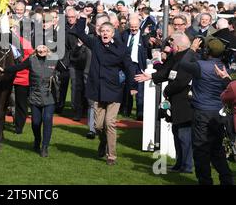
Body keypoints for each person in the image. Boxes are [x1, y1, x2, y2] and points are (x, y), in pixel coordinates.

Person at [71, 22, 137, 165]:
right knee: (99, 126)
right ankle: (103, 141)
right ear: (99, 33)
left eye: (108, 31)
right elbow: (79, 32)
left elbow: (129, 67)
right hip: (97, 89)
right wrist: (83, 16)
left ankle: (111, 156)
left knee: (110, 123)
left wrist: (133, 85)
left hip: (114, 89)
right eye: (103, 31)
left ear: (113, 33)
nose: (105, 33)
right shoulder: (95, 44)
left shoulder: (121, 48)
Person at [135, 32, 194, 173]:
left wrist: (167, 90)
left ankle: (187, 166)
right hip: (176, 102)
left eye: (172, 44)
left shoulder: (189, 58)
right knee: (177, 133)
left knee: (184, 136)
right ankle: (180, 164)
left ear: (178, 46)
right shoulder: (178, 56)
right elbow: (167, 72)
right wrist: (151, 76)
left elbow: (180, 81)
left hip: (185, 104)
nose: (170, 46)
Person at [180, 37, 234, 185]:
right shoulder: (224, 67)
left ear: (206, 51)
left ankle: (205, 181)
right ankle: (226, 178)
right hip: (218, 113)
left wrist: (192, 49)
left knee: (200, 149)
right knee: (217, 149)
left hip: (202, 113)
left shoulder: (200, 66)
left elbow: (183, 63)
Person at [0, 45, 61, 157]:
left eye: (44, 48)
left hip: (49, 97)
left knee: (47, 119)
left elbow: (66, 69)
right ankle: (37, 140)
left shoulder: (54, 60)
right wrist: (4, 70)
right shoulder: (31, 60)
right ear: (36, 50)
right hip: (35, 97)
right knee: (36, 123)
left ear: (47, 50)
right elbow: (18, 67)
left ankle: (44, 147)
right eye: (39, 48)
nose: (41, 50)